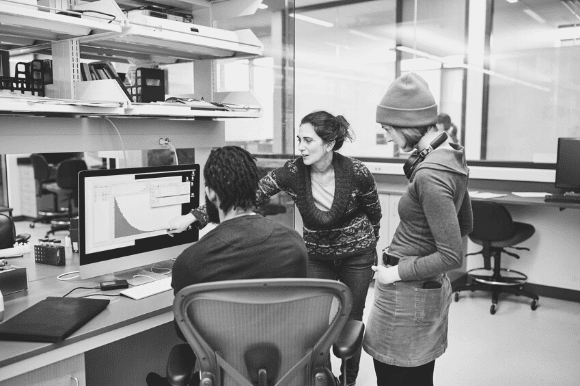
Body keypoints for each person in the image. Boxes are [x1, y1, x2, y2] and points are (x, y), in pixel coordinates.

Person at [168, 111, 382, 386]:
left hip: (358, 255)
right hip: (316, 253)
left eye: (307, 140)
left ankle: (347, 380)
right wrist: (192, 217)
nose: (301, 146)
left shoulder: (356, 172)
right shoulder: (293, 174)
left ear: (329, 144)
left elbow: (374, 213)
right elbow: (246, 192)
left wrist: (369, 245)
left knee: (351, 317)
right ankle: (319, 374)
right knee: (317, 323)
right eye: (299, 140)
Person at [147, 146, 308, 386]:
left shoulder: (191, 261)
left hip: (224, 377)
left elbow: (185, 333)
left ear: (211, 194)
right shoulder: (295, 245)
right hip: (286, 374)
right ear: (256, 189)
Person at [363, 73, 473, 386]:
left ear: (408, 124)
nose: (386, 137)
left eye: (387, 128)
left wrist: (394, 273)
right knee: (416, 376)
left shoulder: (430, 174)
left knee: (395, 377)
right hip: (421, 292)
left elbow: (452, 254)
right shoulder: (451, 158)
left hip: (406, 295)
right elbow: (465, 224)